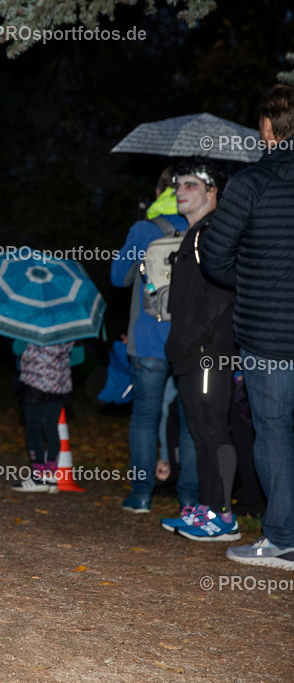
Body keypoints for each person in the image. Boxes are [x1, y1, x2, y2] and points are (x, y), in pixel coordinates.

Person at [200, 84, 294, 570]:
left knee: (274, 432)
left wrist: (257, 279)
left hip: (269, 334)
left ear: (267, 128)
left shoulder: (250, 183)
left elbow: (214, 257)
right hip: (270, 330)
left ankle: (283, 539)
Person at [158, 160, 240, 541]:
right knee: (198, 429)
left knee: (212, 428)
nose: (180, 190)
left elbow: (221, 294)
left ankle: (222, 515)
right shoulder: (193, 235)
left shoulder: (214, 233)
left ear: (213, 193)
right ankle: (207, 507)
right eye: (178, 185)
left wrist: (190, 335)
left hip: (209, 349)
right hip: (190, 349)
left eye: (191, 184)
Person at [110, 169, 198, 513]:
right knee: (191, 422)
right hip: (191, 340)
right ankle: (189, 499)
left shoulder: (144, 229)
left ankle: (141, 495)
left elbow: (118, 277)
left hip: (147, 339)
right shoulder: (204, 226)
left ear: (160, 191)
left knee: (145, 418)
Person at [10, 340, 76, 493]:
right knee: (51, 427)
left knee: (33, 427)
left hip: (35, 382)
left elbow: (17, 348)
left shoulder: (32, 328)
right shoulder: (68, 330)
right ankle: (51, 475)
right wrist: (56, 364)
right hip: (59, 383)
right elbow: (78, 356)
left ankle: (38, 476)